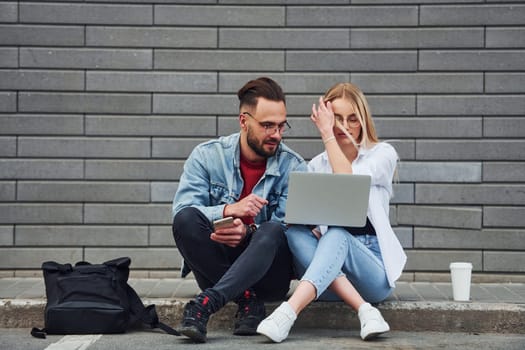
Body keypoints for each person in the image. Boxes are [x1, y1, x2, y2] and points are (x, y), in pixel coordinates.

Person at [256, 82, 407, 342]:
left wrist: (327, 133)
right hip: (328, 279)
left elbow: (347, 184)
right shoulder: (315, 165)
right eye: (336, 118)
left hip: (373, 274)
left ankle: (288, 313)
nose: (345, 126)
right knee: (295, 232)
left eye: (352, 119)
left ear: (363, 121)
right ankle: (365, 311)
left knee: (337, 232)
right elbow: (311, 225)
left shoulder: (382, 154)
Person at [171, 77, 307, 343]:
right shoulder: (207, 156)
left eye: (281, 126)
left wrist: (247, 232)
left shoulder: (294, 167)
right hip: (216, 265)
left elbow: (288, 229)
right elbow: (184, 208)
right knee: (185, 219)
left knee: (273, 229)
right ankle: (248, 302)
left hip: (269, 276)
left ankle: (206, 304)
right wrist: (226, 211)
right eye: (267, 126)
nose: (276, 135)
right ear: (244, 121)